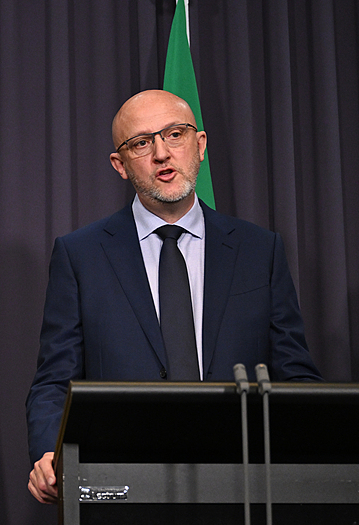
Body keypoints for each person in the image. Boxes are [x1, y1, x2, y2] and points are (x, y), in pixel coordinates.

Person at [25, 90, 322, 503]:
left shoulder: (259, 250)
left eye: (175, 135)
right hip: (125, 491)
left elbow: (295, 376)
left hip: (245, 491)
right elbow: (55, 380)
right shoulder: (81, 255)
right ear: (120, 165)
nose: (162, 153)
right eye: (142, 143)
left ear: (199, 145)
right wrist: (47, 452)